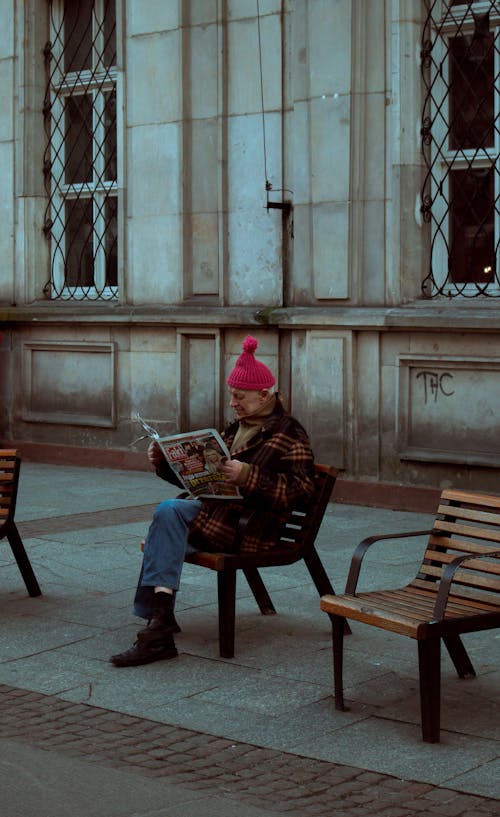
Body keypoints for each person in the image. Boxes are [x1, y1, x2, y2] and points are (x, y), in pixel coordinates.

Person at [110, 335, 315, 667]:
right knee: (168, 517)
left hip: (250, 526)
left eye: (239, 397)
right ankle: (160, 624)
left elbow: (302, 490)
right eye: (231, 396)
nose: (232, 403)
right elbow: (202, 481)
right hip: (218, 513)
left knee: (166, 520)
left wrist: (250, 476)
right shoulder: (238, 428)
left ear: (264, 396)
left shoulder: (290, 434)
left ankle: (158, 624)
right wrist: (165, 460)